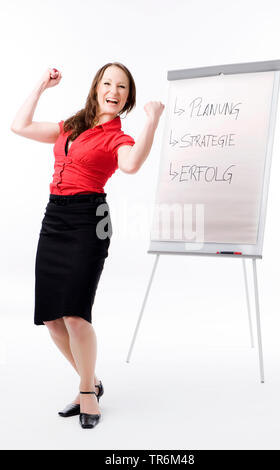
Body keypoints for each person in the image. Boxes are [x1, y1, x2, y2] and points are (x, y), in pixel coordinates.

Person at [11, 63, 165, 429]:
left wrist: (152, 122)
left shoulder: (118, 138)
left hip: (87, 221)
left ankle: (86, 391)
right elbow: (20, 126)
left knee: (76, 316)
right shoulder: (71, 125)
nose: (115, 90)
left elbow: (130, 166)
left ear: (128, 97)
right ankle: (92, 381)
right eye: (108, 83)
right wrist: (41, 86)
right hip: (54, 219)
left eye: (123, 87)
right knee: (51, 318)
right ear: (97, 88)